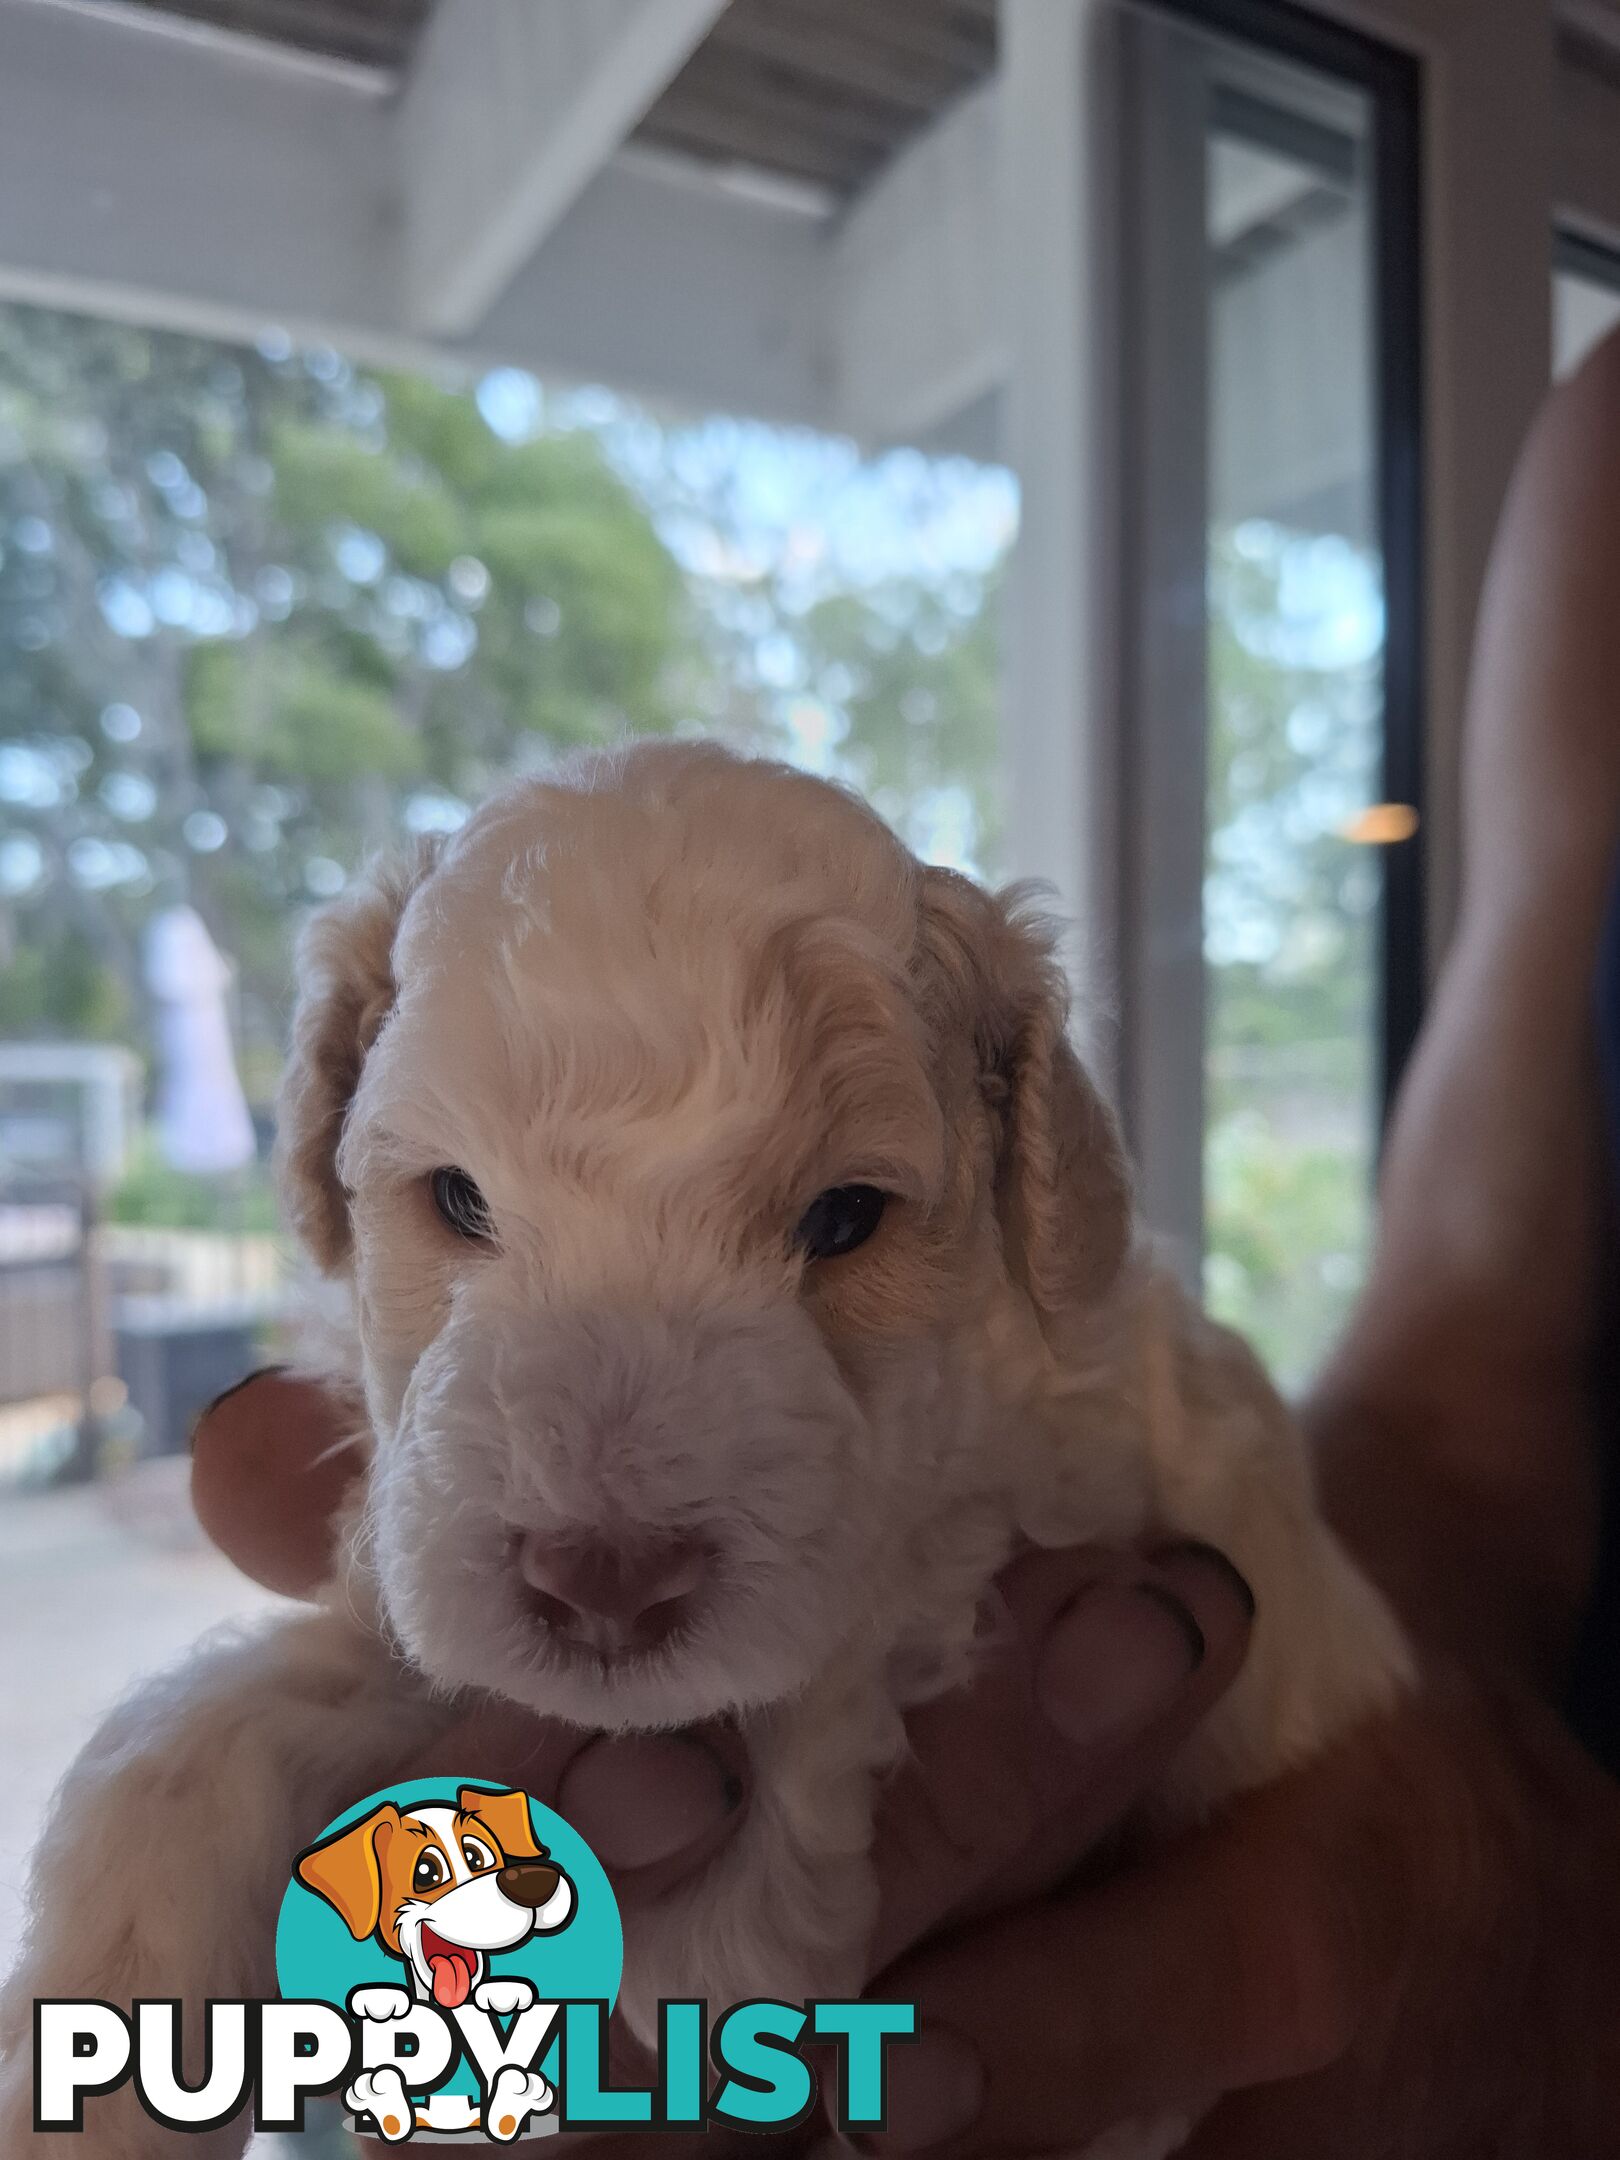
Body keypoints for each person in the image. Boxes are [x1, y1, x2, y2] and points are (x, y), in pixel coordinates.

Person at [193, 327, 1620, 2155]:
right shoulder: (1612, 469)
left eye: (838, 1219)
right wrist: (1395, 1821)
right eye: (459, 1207)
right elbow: (1470, 1392)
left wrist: (1553, 1944)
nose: (600, 1536)